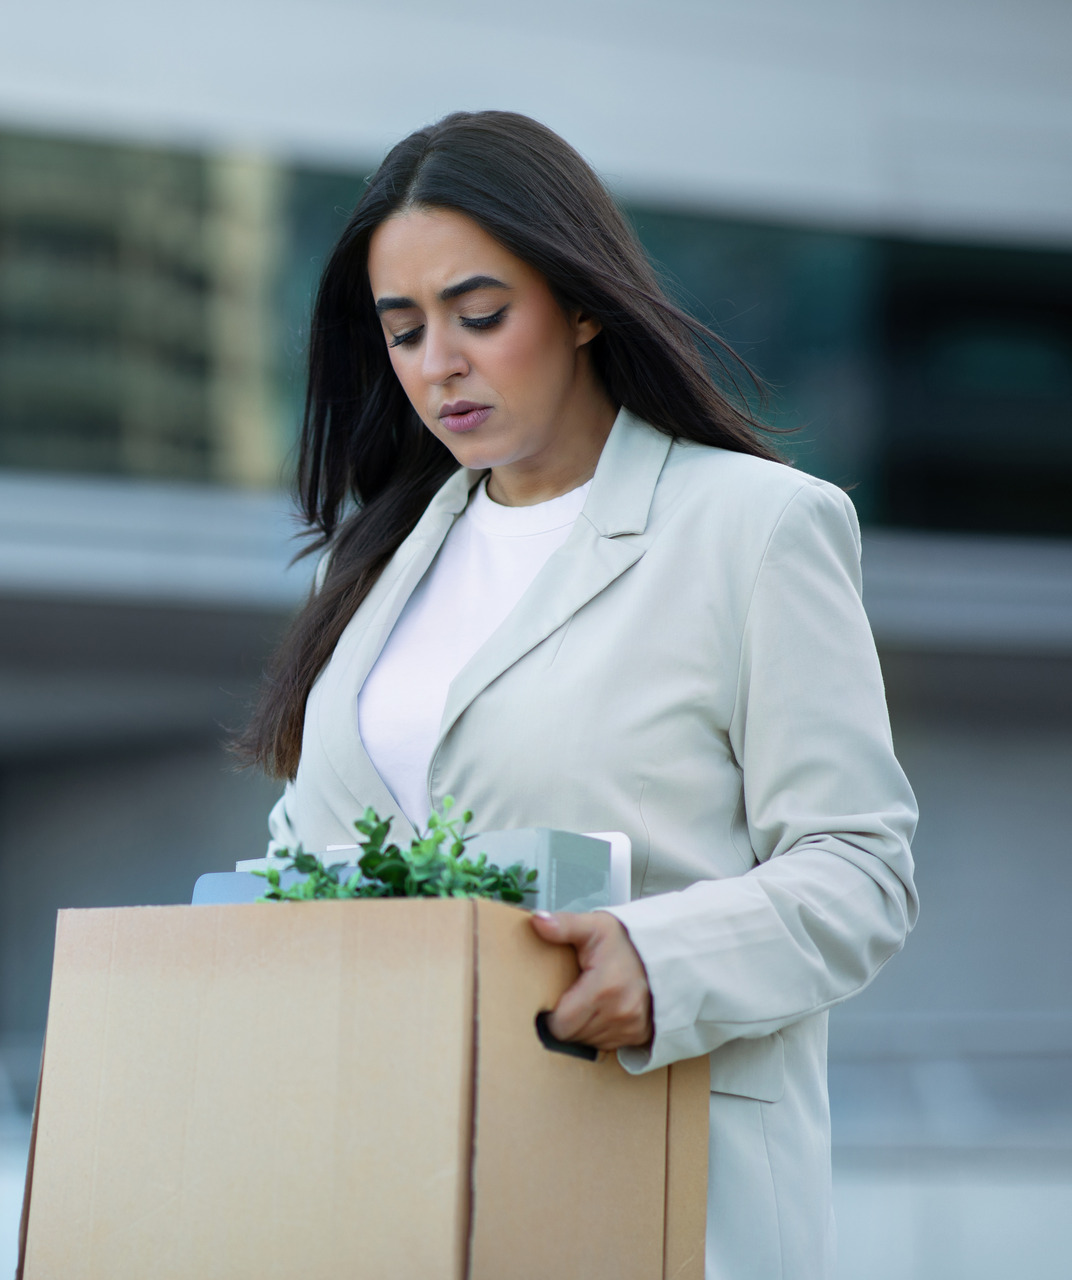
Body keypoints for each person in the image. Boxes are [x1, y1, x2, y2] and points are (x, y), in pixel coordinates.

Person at [236, 111, 917, 1280]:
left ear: (584, 303)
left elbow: (859, 868)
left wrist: (658, 961)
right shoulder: (385, 567)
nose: (438, 362)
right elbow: (311, 860)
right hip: (389, 1198)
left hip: (656, 1178)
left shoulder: (756, 528)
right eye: (402, 332)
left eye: (479, 314)